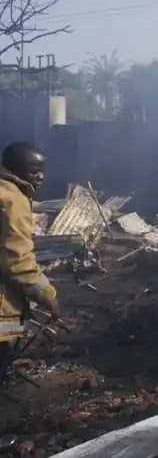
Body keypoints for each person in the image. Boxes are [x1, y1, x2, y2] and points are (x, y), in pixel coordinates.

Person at [0, 142, 59, 374]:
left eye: (42, 169)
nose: (41, 176)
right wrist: (47, 294)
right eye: (34, 171)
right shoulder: (13, 200)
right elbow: (17, 259)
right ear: (14, 169)